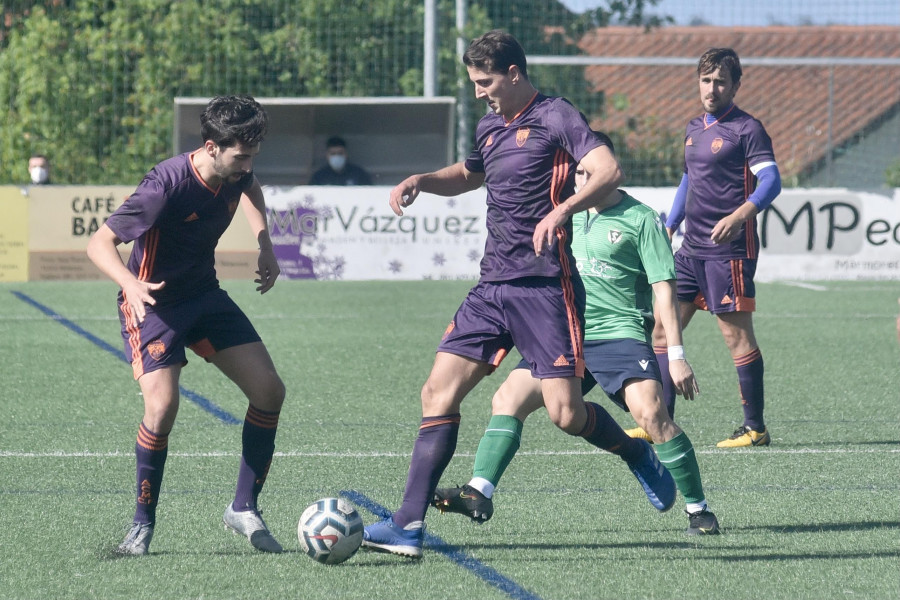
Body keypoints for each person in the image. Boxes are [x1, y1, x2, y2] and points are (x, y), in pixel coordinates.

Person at [361, 30, 676, 559]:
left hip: (547, 290)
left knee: (566, 416)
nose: (481, 92)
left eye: (487, 82)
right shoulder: (489, 125)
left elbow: (607, 170)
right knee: (436, 394)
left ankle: (636, 455)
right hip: (492, 287)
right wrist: (423, 179)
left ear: (514, 73)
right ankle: (408, 526)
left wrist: (562, 210)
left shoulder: (557, 116)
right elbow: (468, 174)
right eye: (474, 84)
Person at [432, 138, 720, 535]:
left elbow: (664, 290)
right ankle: (479, 490)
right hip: (564, 332)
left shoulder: (641, 219)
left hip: (620, 335)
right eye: (576, 173)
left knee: (653, 414)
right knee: (516, 401)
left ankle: (699, 510)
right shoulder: (562, 215)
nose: (580, 181)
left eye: (588, 173)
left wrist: (676, 354)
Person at [86, 95, 287, 556]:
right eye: (242, 156)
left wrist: (265, 245)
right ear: (212, 146)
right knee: (162, 408)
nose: (249, 164)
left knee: (270, 391)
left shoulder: (237, 169)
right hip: (154, 305)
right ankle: (141, 525)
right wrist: (129, 283)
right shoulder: (166, 183)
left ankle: (242, 507)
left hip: (204, 296)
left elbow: (251, 189)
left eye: (254, 154)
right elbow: (100, 243)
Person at [640, 48, 782, 449]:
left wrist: (740, 216)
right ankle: (658, 423)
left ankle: (755, 428)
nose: (712, 88)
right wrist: (670, 224)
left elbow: (771, 181)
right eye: (706, 80)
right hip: (690, 252)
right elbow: (689, 181)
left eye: (720, 81)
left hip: (729, 253)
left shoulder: (747, 129)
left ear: (735, 86)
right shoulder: (693, 127)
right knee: (662, 332)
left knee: (736, 339)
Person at [308, 135, 373, 185]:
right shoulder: (319, 176)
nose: (337, 156)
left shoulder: (359, 174)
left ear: (346, 154)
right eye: (333, 154)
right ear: (327, 155)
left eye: (340, 153)